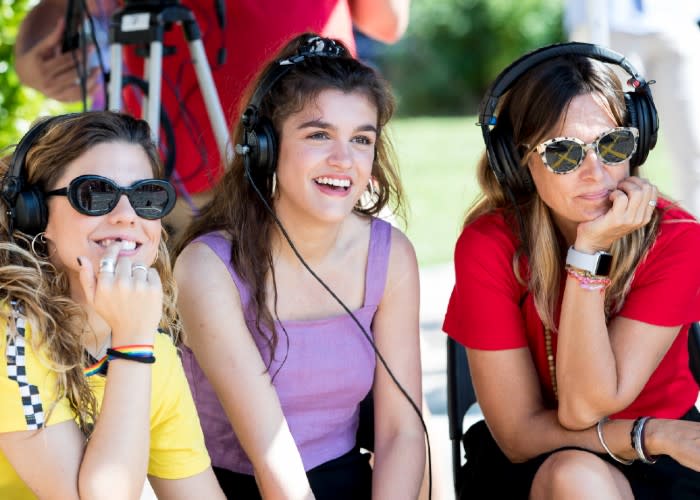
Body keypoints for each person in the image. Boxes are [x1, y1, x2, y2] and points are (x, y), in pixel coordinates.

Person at [173, 33, 425, 499]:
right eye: (318, 135)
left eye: (361, 139)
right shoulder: (207, 269)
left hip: (347, 478)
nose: (343, 160)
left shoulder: (391, 257)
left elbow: (401, 434)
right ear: (264, 146)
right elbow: (274, 463)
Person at [443, 42, 700, 499]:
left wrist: (658, 441)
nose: (595, 171)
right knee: (574, 477)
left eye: (613, 143)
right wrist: (591, 252)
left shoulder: (678, 238)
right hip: (538, 462)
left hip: (666, 467)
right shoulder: (489, 247)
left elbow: (587, 405)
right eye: (562, 153)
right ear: (517, 162)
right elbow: (531, 432)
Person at [13, 0, 411, 238]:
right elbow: (39, 48)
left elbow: (387, 21)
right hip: (164, 193)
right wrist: (41, 61)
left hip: (317, 175)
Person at [0, 111, 225, 499]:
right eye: (94, 194)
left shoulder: (153, 351)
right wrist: (133, 344)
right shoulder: (12, 334)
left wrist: (135, 340)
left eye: (146, 197)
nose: (126, 217)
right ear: (34, 214)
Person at [565, 0, 700, 216]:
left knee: (695, 146)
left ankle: (694, 237)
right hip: (606, 23)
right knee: (612, 151)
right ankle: (621, 238)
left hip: (676, 19)